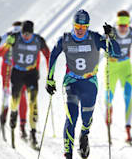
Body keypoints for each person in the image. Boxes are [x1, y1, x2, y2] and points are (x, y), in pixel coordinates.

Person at [45, 9, 121, 159]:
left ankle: (84, 135)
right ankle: (68, 154)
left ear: (87, 26)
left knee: (86, 120)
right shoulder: (65, 39)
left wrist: (111, 36)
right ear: (73, 25)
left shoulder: (95, 38)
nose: (80, 30)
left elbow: (115, 53)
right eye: (77, 27)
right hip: (71, 82)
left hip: (90, 83)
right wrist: (49, 79)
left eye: (83, 27)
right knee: (71, 118)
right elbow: (53, 55)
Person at [0, 20, 50, 149]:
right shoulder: (15, 38)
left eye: (28, 34)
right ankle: (13, 113)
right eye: (24, 33)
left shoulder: (38, 40)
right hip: (17, 73)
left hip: (31, 74)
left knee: (33, 102)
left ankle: (33, 134)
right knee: (15, 100)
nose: (26, 36)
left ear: (32, 33)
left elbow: (48, 54)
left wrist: (50, 71)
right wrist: (6, 45)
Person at [105, 10, 132, 144]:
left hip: (125, 67)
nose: (122, 28)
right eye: (120, 25)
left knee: (128, 96)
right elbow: (99, 45)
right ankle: (109, 111)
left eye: (125, 26)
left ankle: (128, 129)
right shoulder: (112, 32)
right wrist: (104, 37)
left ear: (128, 24)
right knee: (109, 98)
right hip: (111, 67)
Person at [0, 21, 28, 140]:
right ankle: (4, 117)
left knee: (22, 97)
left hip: (19, 74)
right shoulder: (7, 38)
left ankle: (22, 126)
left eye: (19, 32)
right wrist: (0, 43)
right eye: (15, 32)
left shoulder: (24, 40)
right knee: (5, 96)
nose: (17, 35)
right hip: (6, 74)